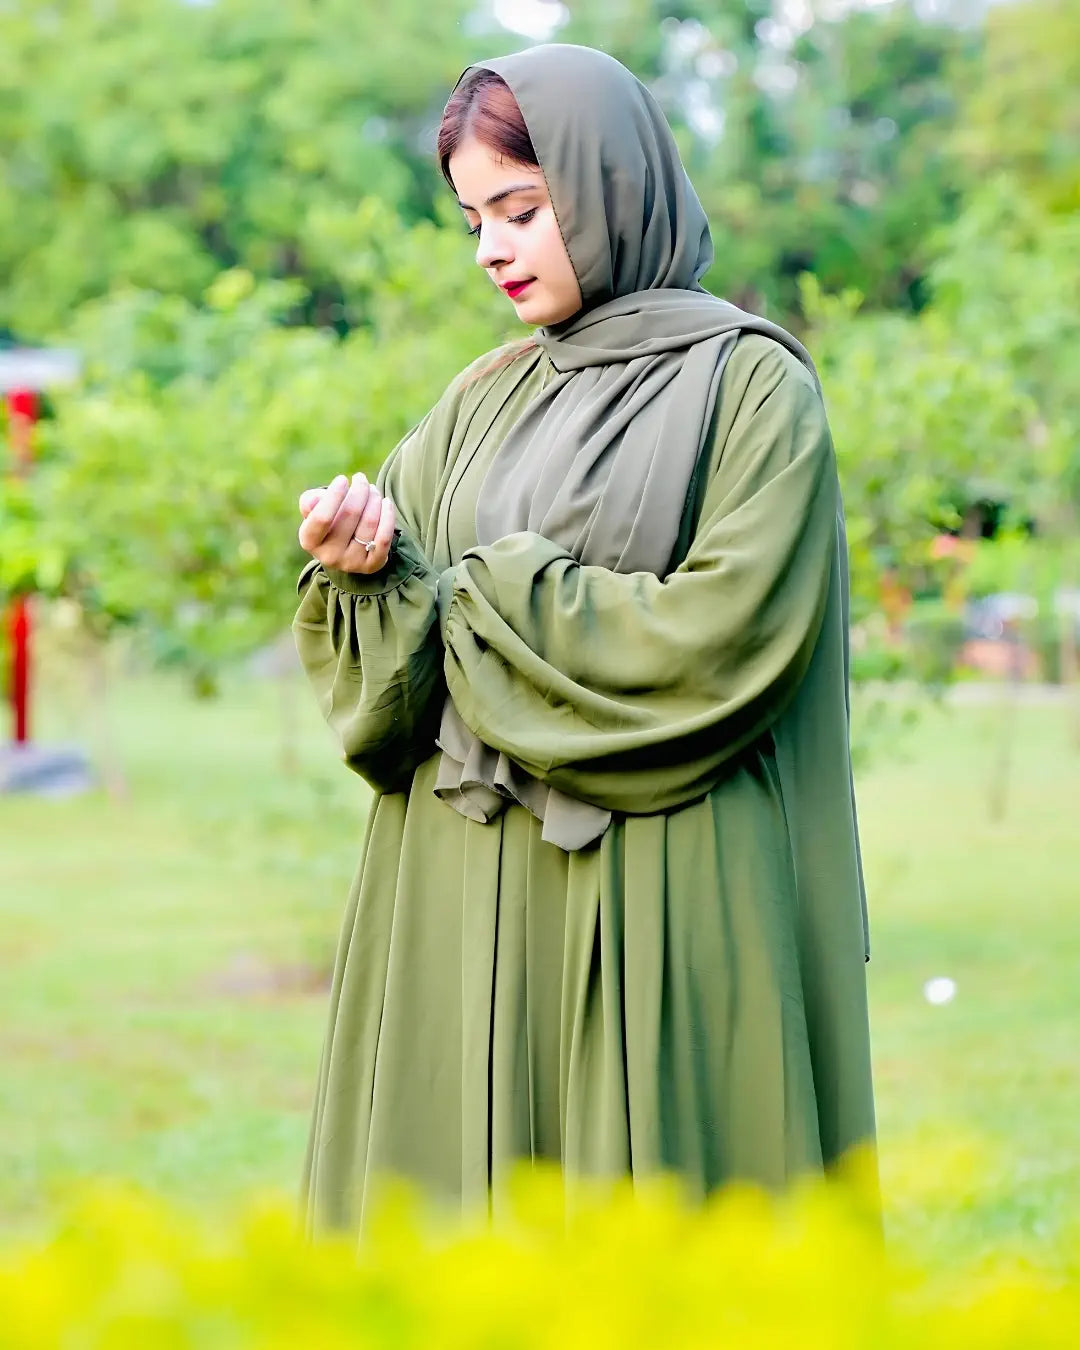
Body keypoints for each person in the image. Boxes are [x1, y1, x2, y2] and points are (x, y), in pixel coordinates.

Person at [293, 43, 876, 1235]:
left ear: (612, 184)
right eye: (473, 220)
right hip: (458, 886)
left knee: (661, 1240)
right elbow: (405, 618)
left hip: (661, 874)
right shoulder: (481, 395)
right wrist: (364, 567)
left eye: (521, 207)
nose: (494, 248)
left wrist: (487, 593)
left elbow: (727, 632)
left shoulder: (749, 387)